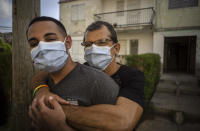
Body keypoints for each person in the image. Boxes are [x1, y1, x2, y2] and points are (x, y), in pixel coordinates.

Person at [29, 21, 145, 131]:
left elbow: (123, 121)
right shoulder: (85, 68)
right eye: (88, 44)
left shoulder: (132, 76)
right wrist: (41, 91)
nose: (94, 49)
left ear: (116, 48)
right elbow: (42, 74)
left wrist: (52, 109)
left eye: (102, 42)